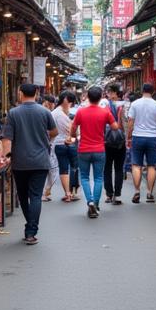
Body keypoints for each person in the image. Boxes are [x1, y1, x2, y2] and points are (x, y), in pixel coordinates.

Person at [1, 81, 57, 245]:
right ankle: (31, 231)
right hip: (40, 161)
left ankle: (30, 227)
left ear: (20, 93)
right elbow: (55, 131)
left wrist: (6, 157)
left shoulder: (13, 113)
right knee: (36, 196)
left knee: (23, 196)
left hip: (20, 161)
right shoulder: (45, 112)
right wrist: (46, 139)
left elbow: (7, 138)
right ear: (37, 94)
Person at [69, 86, 115, 218]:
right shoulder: (105, 112)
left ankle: (89, 201)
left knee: (84, 177)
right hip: (99, 149)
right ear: (101, 97)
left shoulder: (81, 112)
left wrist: (73, 135)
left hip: (83, 149)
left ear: (87, 97)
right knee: (98, 178)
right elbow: (115, 127)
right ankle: (95, 203)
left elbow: (73, 128)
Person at [126, 81, 156, 203]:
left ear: (142, 91)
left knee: (136, 165)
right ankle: (149, 193)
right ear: (153, 92)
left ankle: (137, 191)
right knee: (151, 165)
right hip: (153, 138)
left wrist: (128, 137)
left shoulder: (135, 104)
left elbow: (130, 122)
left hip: (138, 137)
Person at [50, 90, 77, 202]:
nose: (70, 104)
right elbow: (72, 130)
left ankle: (68, 192)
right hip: (66, 143)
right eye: (70, 102)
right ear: (66, 101)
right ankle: (71, 192)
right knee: (73, 167)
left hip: (58, 144)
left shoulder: (55, 113)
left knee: (64, 168)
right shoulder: (60, 114)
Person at [102, 83, 127, 205]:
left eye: (111, 92)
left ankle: (109, 194)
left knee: (107, 168)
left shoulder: (104, 105)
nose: (109, 94)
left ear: (116, 93)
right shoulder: (125, 106)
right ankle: (117, 195)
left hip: (107, 140)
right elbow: (127, 124)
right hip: (120, 141)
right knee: (118, 168)